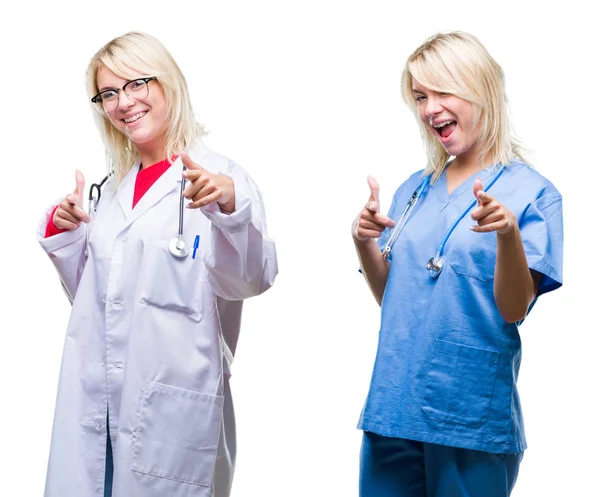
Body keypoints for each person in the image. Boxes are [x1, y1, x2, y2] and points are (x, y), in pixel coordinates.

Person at [37, 32, 277, 497]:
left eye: (136, 83)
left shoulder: (221, 176)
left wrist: (230, 207)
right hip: (100, 405)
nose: (123, 102)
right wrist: (65, 232)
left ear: (168, 84)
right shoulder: (108, 191)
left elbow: (250, 279)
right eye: (109, 93)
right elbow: (97, 303)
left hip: (170, 412)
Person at [352, 32, 563, 497]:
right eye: (421, 97)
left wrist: (508, 236)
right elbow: (395, 299)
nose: (430, 109)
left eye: (443, 92)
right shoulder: (414, 188)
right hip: (394, 408)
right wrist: (363, 241)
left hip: (469, 416)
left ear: (480, 88)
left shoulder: (533, 194)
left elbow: (513, 309)